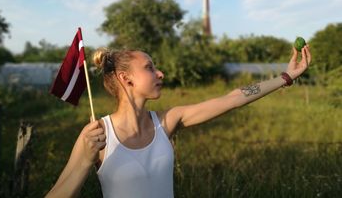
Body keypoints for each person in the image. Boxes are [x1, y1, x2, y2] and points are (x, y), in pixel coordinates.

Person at [46, 45, 312, 198]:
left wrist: (286, 77)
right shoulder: (97, 135)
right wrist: (84, 160)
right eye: (150, 67)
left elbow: (234, 98)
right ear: (126, 79)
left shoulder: (168, 121)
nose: (160, 72)